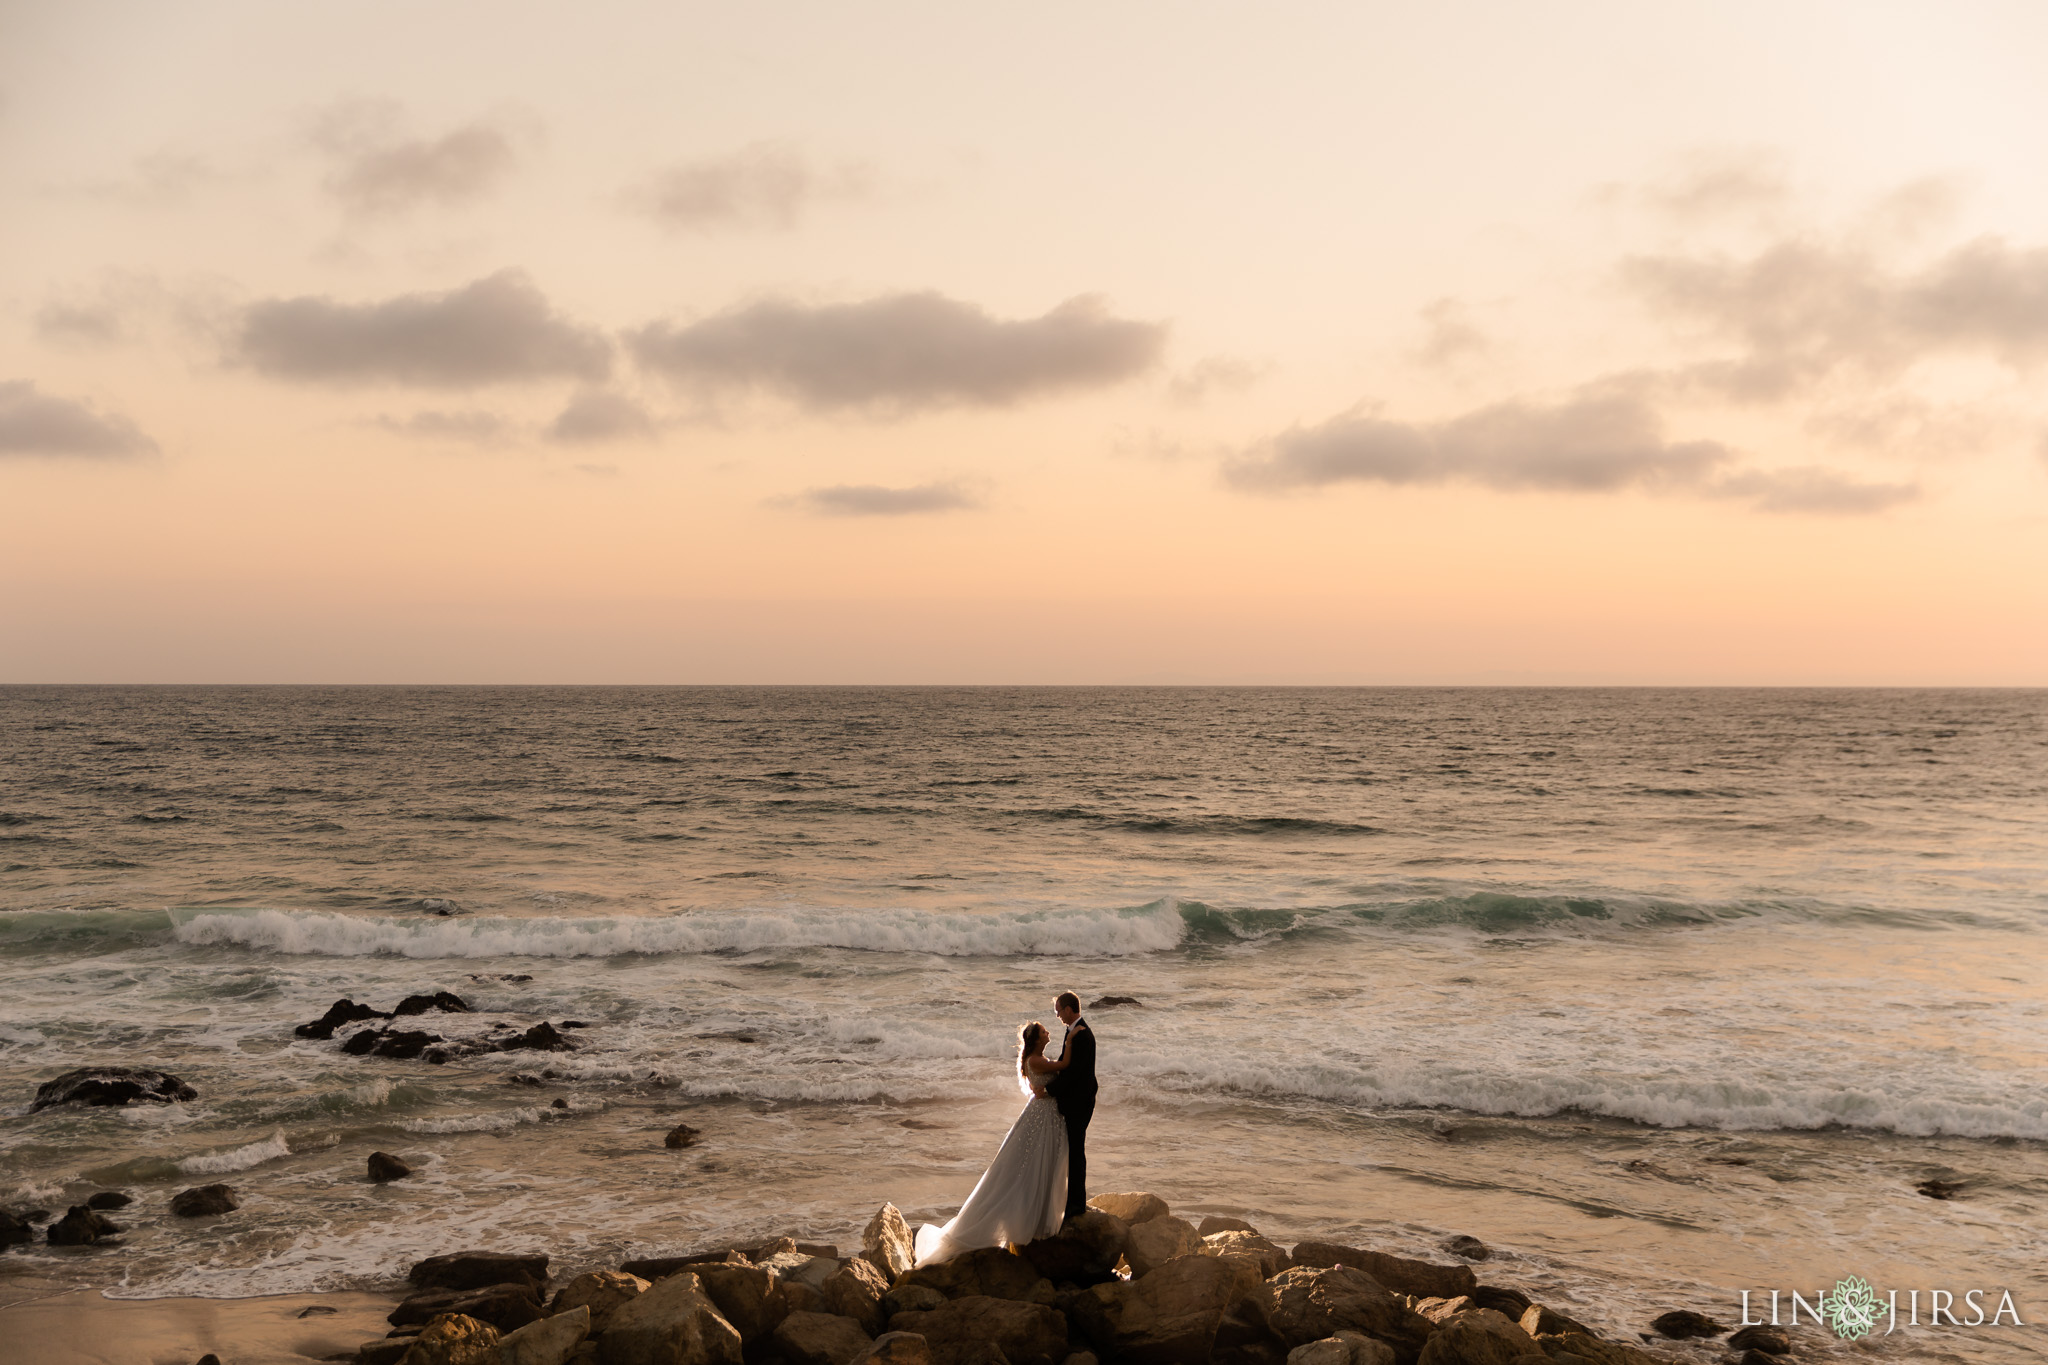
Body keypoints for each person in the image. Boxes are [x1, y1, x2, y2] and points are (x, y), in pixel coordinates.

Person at [911, 1021, 1069, 1266]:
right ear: (1037, 1040)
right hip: (1041, 1116)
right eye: (1044, 1032)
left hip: (1043, 1114)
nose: (1049, 1033)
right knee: (1033, 1164)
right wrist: (1073, 1040)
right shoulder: (1037, 1061)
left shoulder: (1038, 1059)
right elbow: (1065, 1065)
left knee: (1037, 1163)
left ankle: (1036, 1214)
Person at [1041, 990, 1097, 1221]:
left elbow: (1074, 1073)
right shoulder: (1073, 1031)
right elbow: (1066, 1066)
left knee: (1076, 1151)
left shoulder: (1082, 1034)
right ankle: (1073, 1200)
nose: (1057, 1017)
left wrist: (1048, 1090)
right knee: (1073, 1150)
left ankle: (1076, 1204)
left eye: (1058, 1012)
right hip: (1075, 1100)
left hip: (1080, 1102)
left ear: (1067, 1008)